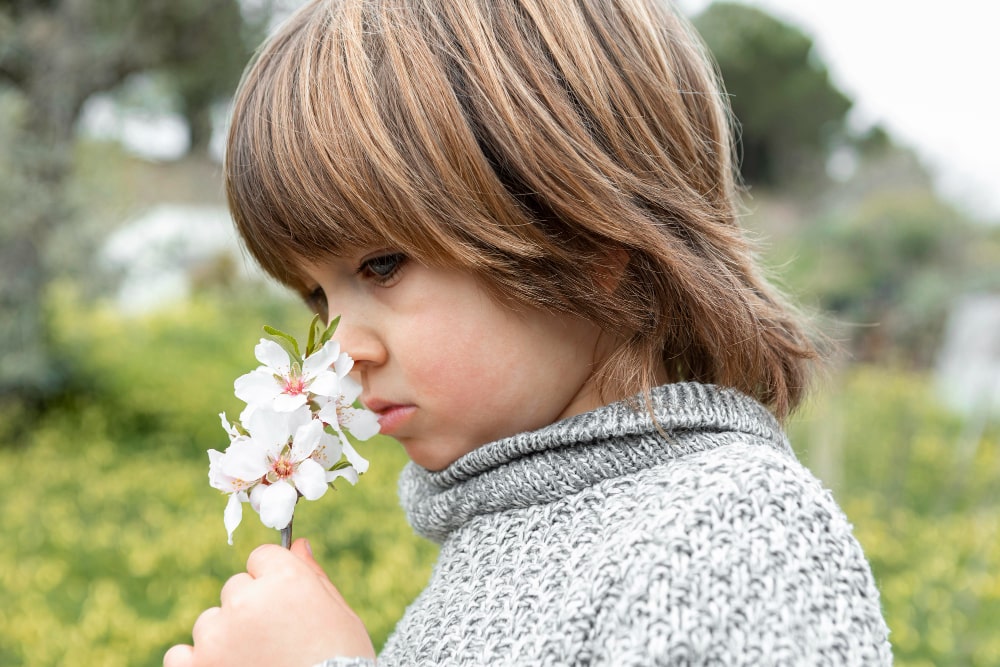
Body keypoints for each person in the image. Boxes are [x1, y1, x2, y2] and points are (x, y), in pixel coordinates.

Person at [164, 0, 892, 665]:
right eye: (318, 296)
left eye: (383, 265)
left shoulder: (737, 534)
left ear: (590, 237)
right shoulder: (493, 543)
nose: (340, 349)